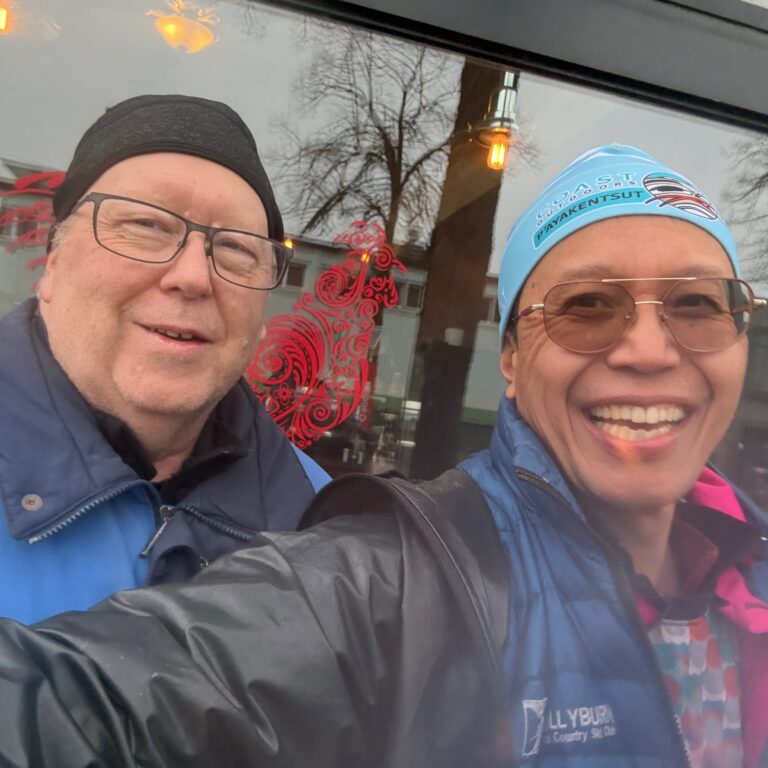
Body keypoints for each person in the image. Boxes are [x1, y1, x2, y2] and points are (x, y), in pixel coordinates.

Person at [0, 145, 766, 768]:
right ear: (508, 357)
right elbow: (75, 708)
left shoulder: (752, 568)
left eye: (698, 304)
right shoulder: (398, 577)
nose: (646, 349)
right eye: (586, 306)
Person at [0, 94, 329, 623]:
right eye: (148, 226)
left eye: (237, 249)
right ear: (55, 263)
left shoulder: (324, 521)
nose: (194, 277)